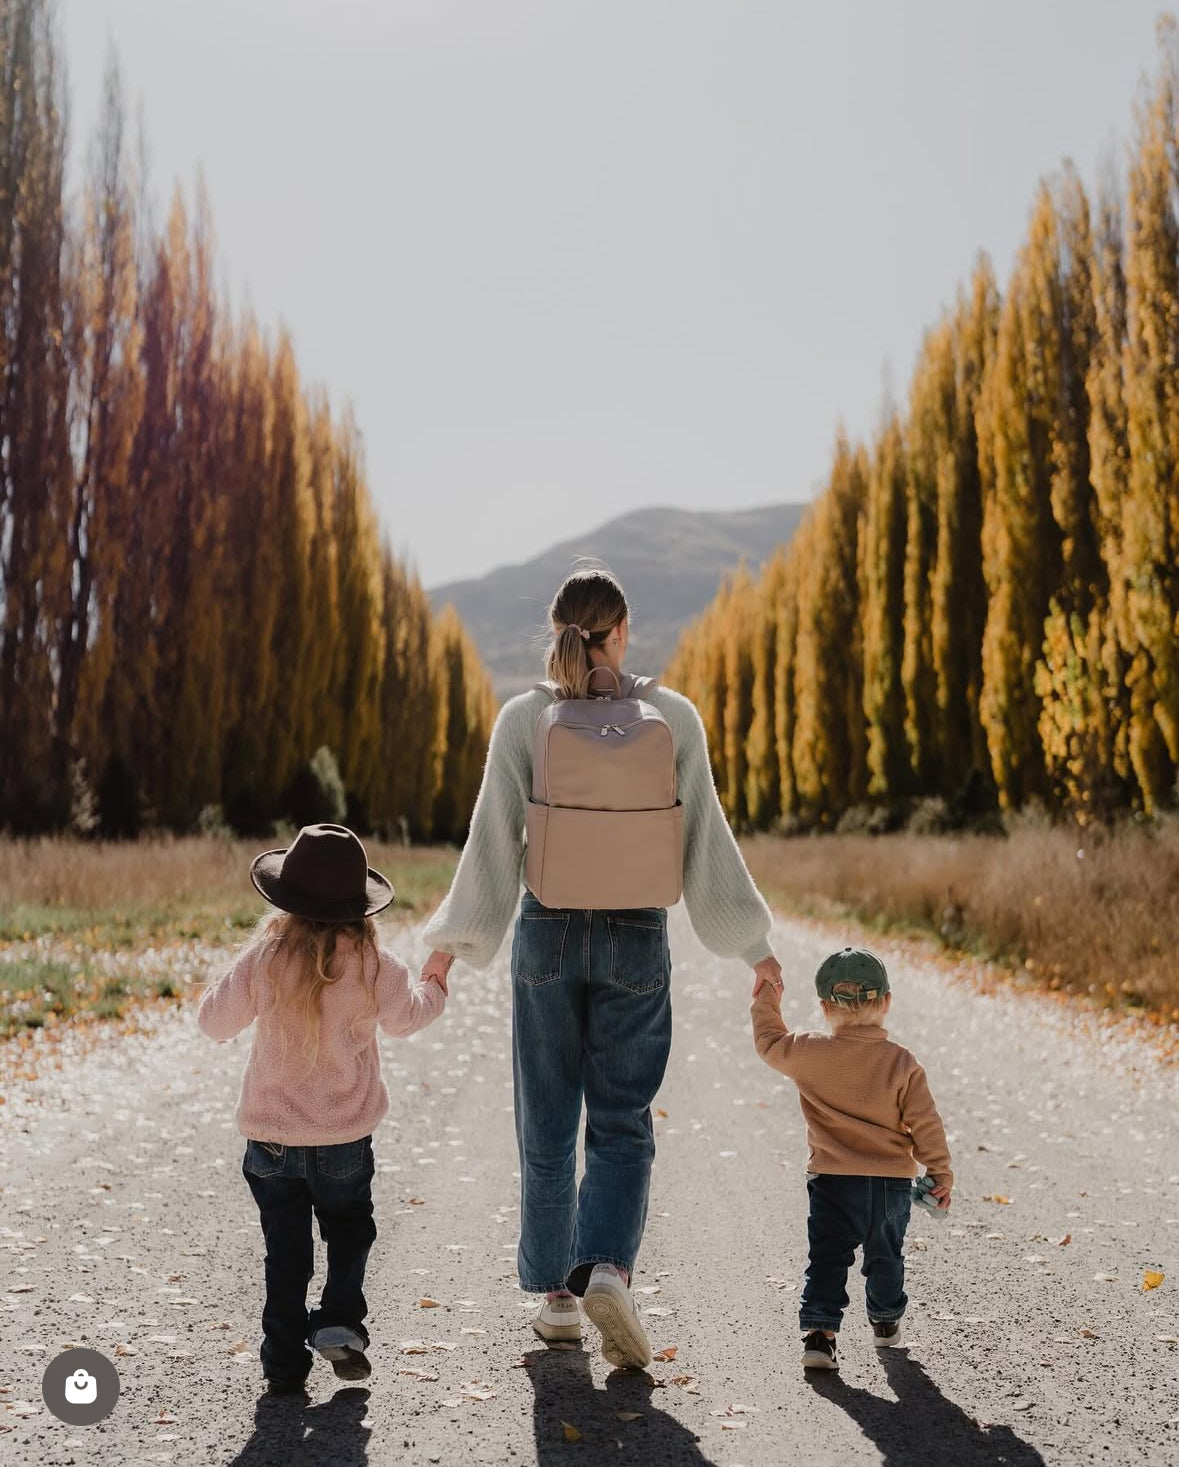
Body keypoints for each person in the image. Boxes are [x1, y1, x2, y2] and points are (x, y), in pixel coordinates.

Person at [420, 567, 783, 1369]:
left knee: (546, 1120)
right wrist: (753, 948)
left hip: (546, 933)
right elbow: (706, 846)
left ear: (556, 631)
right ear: (620, 631)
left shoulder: (524, 718)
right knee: (621, 1120)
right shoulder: (671, 716)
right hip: (635, 934)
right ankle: (609, 1267)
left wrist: (450, 946)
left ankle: (557, 1296)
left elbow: (492, 845)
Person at [198, 823, 445, 1394]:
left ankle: (284, 1362)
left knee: (285, 1254)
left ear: (285, 900)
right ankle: (337, 1320)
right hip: (342, 1141)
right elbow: (409, 1016)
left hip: (271, 1143)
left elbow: (214, 1023)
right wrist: (436, 983)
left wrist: (219, 986)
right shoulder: (372, 964)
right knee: (351, 1230)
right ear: (360, 908)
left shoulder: (265, 959)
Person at [750, 945, 953, 1372]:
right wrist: (939, 1172)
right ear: (887, 1002)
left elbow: (768, 1041)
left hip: (831, 1182)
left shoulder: (807, 1050)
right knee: (885, 1256)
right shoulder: (901, 1062)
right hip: (890, 1185)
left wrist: (767, 994)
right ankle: (885, 1321)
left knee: (826, 1257)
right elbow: (926, 1123)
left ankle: (820, 1337)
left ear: (824, 1006)